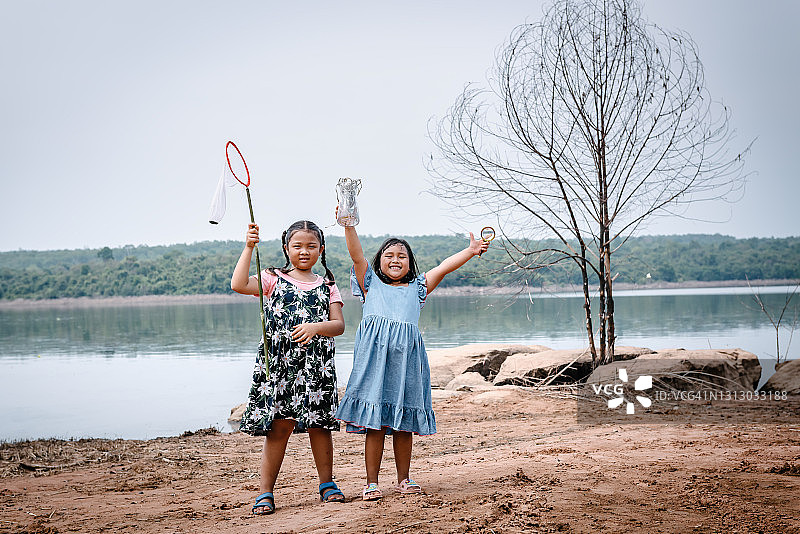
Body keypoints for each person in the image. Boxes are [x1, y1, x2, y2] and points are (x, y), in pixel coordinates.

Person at [334, 217, 489, 500]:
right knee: (375, 424)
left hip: (406, 366)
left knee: (403, 423)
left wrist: (470, 251)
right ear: (379, 261)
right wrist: (348, 224)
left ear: (410, 263)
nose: (395, 260)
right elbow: (356, 254)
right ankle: (371, 483)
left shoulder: (417, 288)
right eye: (389, 255)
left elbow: (444, 267)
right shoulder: (370, 283)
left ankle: (403, 479)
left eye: (402, 256)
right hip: (374, 365)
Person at [231, 220, 346, 515]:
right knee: (279, 427)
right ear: (286, 248)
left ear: (321, 250)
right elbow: (238, 284)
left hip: (316, 368)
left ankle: (327, 484)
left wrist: (315, 327)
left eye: (311, 246)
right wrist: (248, 247)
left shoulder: (327, 285)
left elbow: (338, 326)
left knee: (319, 425)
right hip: (281, 368)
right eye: (297, 246)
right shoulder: (273, 278)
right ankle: (265, 492)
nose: (304, 251)